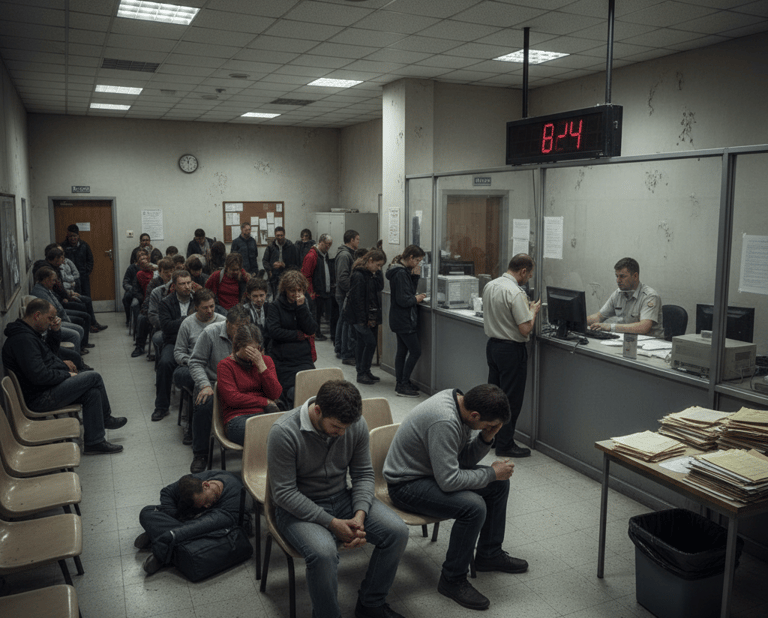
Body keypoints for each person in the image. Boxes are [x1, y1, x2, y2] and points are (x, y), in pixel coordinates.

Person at [267, 380, 409, 618]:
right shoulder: (283, 432)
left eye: (346, 427)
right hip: (296, 508)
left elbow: (363, 474)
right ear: (317, 410)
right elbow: (284, 494)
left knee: (397, 532)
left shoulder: (354, 424)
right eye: (336, 426)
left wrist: (359, 516)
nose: (342, 433)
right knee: (323, 553)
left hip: (341, 497)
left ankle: (371, 604)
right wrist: (332, 523)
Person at [384, 384, 525, 611]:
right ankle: (452, 579)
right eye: (487, 425)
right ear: (475, 415)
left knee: (499, 485)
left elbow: (463, 462)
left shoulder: (462, 404)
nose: (488, 428)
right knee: (474, 507)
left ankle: (489, 554)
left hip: (432, 475)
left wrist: (485, 438)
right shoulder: (445, 421)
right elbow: (449, 481)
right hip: (406, 485)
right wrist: (490, 472)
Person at [2, 298, 127, 454]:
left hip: (46, 389)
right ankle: (106, 418)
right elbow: (39, 376)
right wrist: (67, 374)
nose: (52, 322)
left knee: (92, 393)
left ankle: (94, 442)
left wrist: (55, 333)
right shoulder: (23, 340)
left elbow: (49, 355)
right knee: (93, 377)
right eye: (50, 318)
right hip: (40, 397)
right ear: (37, 315)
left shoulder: (30, 333)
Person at [482, 253, 540, 458]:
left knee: (494, 398)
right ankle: (505, 445)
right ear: (523, 271)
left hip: (493, 347)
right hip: (511, 350)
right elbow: (524, 329)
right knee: (510, 400)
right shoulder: (515, 292)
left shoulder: (491, 285)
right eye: (530, 274)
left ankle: (491, 438)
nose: (529, 278)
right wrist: (532, 311)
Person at [135, 471, 243, 575]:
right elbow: (167, 492)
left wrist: (170, 535)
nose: (206, 506)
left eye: (205, 501)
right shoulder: (193, 482)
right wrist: (175, 516)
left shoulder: (233, 498)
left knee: (201, 535)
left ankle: (159, 544)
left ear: (206, 485)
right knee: (146, 512)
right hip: (190, 520)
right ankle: (165, 540)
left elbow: (199, 527)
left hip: (211, 526)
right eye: (202, 504)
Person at [188, 305, 251, 473]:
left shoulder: (249, 335)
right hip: (213, 382)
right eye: (239, 327)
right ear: (227, 324)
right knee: (204, 404)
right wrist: (205, 385)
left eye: (247, 326)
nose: (244, 331)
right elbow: (195, 362)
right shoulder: (210, 333)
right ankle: (200, 453)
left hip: (240, 383)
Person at [174, 289, 225, 444]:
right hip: (192, 365)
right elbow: (178, 352)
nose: (210, 310)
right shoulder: (188, 323)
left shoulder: (223, 321)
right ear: (196, 307)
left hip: (216, 366)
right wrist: (194, 362)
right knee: (197, 384)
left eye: (212, 306)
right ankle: (190, 426)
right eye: (205, 307)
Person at [216, 323, 281, 445]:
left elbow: (275, 393)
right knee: (268, 434)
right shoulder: (225, 366)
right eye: (250, 350)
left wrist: (261, 366)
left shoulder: (266, 361)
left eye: (257, 349)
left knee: (289, 429)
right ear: (238, 347)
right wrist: (264, 401)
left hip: (265, 413)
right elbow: (232, 398)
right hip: (237, 418)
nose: (254, 354)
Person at [265, 270, 317, 409]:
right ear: (285, 290)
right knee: (291, 391)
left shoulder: (305, 303)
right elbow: (273, 331)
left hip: (303, 357)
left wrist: (301, 308)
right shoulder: (275, 306)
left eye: (299, 290)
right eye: (292, 290)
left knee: (308, 388)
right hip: (283, 359)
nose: (296, 294)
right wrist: (297, 335)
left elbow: (311, 328)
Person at [587, 257, 664, 338]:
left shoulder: (650, 296)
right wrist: (577, 321)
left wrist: (610, 327)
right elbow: (599, 317)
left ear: (635, 276)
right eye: (617, 276)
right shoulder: (618, 293)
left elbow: (644, 327)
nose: (618, 280)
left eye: (622, 276)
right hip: (627, 340)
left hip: (650, 345)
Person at [154, 270, 195, 422]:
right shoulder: (166, 302)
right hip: (174, 341)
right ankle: (161, 406)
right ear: (174, 286)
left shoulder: (198, 299)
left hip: (195, 341)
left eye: (189, 283)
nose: (187, 287)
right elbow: (166, 327)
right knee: (164, 363)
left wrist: (181, 321)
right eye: (182, 284)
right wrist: (190, 319)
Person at [386, 245, 426, 397]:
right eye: (417, 260)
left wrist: (415, 277)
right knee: (415, 351)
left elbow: (407, 291)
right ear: (410, 258)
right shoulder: (400, 273)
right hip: (404, 319)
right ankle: (402, 384)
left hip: (399, 318)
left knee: (402, 351)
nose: (418, 263)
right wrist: (416, 299)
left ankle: (401, 381)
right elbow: (403, 299)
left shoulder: (402, 271)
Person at [345, 249, 386, 386]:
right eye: (378, 265)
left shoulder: (371, 274)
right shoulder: (359, 275)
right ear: (370, 261)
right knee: (370, 342)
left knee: (364, 343)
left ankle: (365, 371)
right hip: (360, 317)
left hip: (370, 315)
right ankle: (361, 372)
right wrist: (363, 320)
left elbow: (380, 287)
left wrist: (378, 272)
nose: (378, 268)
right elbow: (358, 300)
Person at [30, 266, 91, 354]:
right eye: (53, 280)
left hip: (58, 317)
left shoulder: (45, 288)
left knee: (80, 327)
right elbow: (52, 312)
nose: (55, 283)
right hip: (51, 324)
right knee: (76, 334)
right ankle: (76, 358)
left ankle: (77, 352)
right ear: (46, 279)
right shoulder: (40, 293)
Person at [301, 233, 334, 341]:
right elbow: (306, 276)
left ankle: (318, 332)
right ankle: (315, 333)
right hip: (315, 292)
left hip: (323, 291)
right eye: (327, 244)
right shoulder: (311, 256)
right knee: (315, 314)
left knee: (319, 314)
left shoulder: (324, 255)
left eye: (330, 244)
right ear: (320, 243)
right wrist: (311, 292)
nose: (328, 247)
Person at [334, 229, 360, 365]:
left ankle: (339, 348)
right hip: (344, 294)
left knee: (342, 321)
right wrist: (353, 290)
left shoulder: (348, 254)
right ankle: (346, 353)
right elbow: (342, 278)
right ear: (351, 240)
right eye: (357, 239)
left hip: (344, 294)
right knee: (346, 323)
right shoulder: (345, 255)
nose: (358, 242)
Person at [262, 226, 299, 298]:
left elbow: (295, 263)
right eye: (278, 235)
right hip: (274, 276)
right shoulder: (271, 246)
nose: (280, 237)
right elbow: (265, 261)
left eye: (281, 235)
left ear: (284, 235)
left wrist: (284, 264)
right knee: (275, 297)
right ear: (275, 235)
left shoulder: (291, 246)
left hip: (287, 276)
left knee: (286, 297)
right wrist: (270, 269)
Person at [63, 224, 94, 298]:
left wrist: (86, 271)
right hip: (70, 278)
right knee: (74, 297)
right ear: (67, 236)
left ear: (78, 236)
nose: (73, 238)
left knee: (86, 296)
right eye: (70, 236)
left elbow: (90, 259)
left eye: (75, 236)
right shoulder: (63, 246)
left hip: (83, 276)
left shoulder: (84, 245)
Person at [241, 277, 270, 350]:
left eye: (261, 295)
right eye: (255, 296)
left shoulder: (271, 308)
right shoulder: (243, 310)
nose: (259, 299)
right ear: (248, 296)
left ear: (266, 294)